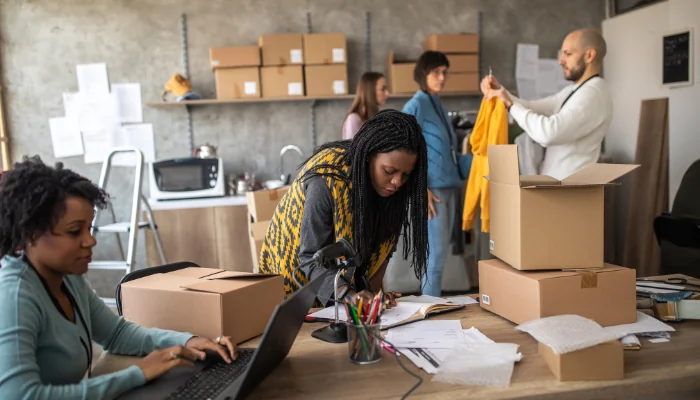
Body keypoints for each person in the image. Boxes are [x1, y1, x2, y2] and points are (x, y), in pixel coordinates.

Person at [0, 157, 238, 400]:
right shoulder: (14, 297)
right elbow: (19, 396)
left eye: (89, 229)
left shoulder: (68, 278)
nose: (90, 241)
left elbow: (116, 334)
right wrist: (138, 373)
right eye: (74, 231)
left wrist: (187, 340)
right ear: (30, 234)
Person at [259, 109, 429, 306]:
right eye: (389, 171)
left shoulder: (393, 191)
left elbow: (384, 249)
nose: (398, 181)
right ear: (367, 156)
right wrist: (348, 296)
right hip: (292, 297)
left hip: (341, 293)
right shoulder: (326, 180)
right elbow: (310, 258)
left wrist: (370, 298)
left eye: (406, 174)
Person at [482, 28, 611, 180]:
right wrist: (499, 91)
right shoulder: (576, 90)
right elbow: (532, 106)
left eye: (568, 54)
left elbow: (548, 133)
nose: (560, 60)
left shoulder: (592, 94)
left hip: (571, 194)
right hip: (559, 190)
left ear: (589, 55)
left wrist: (510, 105)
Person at [402, 51, 473, 297]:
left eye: (445, 72)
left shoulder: (438, 105)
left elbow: (448, 153)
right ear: (423, 74)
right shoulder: (415, 105)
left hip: (449, 187)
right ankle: (427, 313)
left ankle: (430, 308)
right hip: (433, 192)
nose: (442, 77)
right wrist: (419, 187)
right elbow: (402, 150)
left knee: (440, 257)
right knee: (436, 257)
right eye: (436, 72)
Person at [342, 72, 390, 140]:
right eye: (382, 89)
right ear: (370, 90)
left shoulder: (376, 116)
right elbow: (352, 149)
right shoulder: (354, 119)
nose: (387, 93)